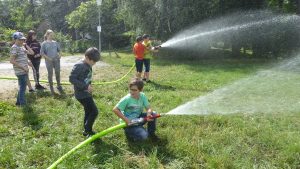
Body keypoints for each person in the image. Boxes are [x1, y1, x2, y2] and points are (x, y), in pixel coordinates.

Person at [69, 47, 101, 137]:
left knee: (88, 111)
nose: (94, 64)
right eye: (93, 62)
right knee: (94, 112)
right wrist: (86, 86)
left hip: (86, 93)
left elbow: (85, 77)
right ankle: (88, 129)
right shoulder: (79, 66)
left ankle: (86, 131)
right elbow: (71, 79)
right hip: (81, 94)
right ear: (87, 58)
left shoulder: (87, 64)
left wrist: (89, 85)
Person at [10, 32, 34, 106]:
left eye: (23, 40)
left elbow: (31, 53)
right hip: (20, 71)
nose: (21, 41)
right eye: (19, 40)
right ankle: (23, 105)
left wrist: (28, 62)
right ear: (14, 40)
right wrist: (23, 67)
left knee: (21, 87)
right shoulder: (14, 48)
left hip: (25, 71)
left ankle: (18, 103)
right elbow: (12, 61)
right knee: (23, 88)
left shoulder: (21, 47)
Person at [40, 29, 63, 95]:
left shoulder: (55, 42)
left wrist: (60, 55)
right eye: (50, 35)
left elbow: (59, 50)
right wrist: (48, 58)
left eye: (52, 35)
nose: (52, 36)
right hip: (49, 61)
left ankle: (58, 85)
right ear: (47, 35)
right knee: (50, 74)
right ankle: (51, 87)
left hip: (56, 60)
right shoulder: (44, 43)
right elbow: (42, 53)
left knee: (57, 72)